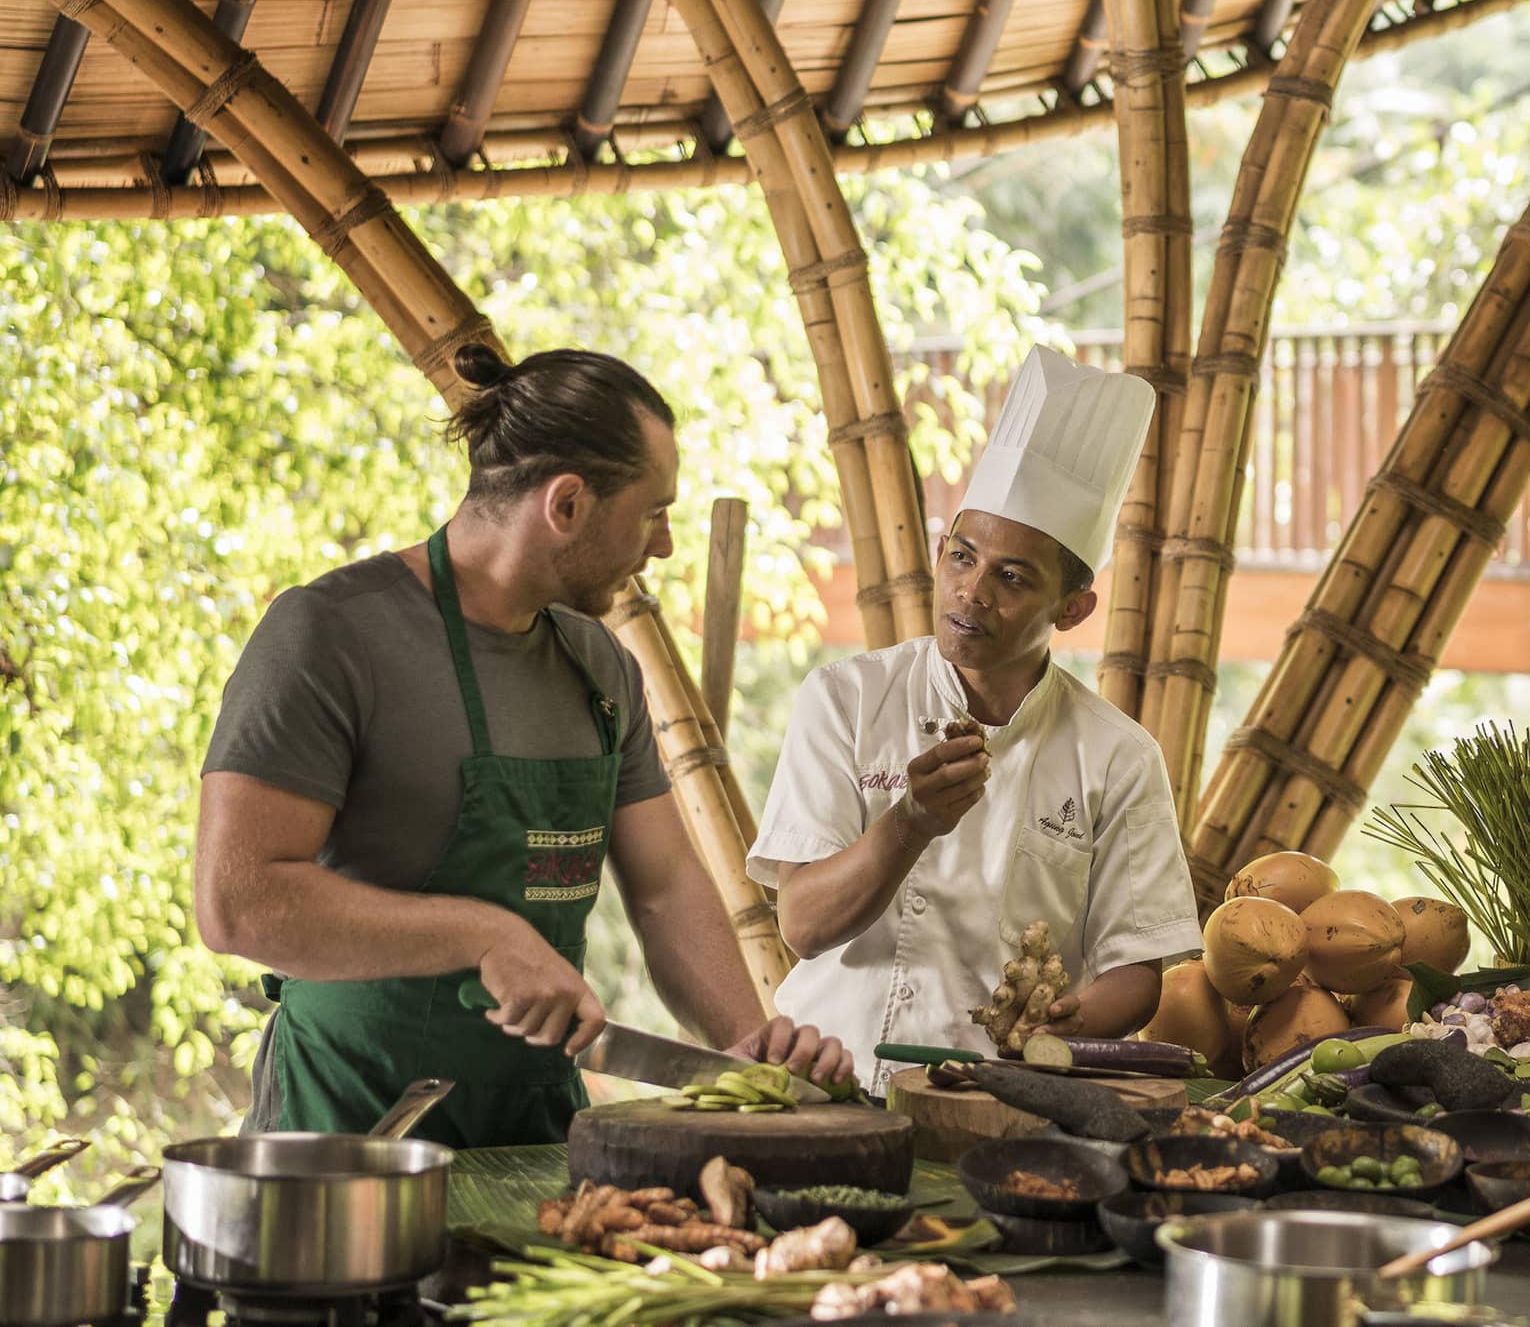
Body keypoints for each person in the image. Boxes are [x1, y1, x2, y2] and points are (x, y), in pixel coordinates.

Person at [196, 342, 850, 1145]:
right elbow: (238, 902)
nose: (666, 545)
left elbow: (666, 888)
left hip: (534, 1138)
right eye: (652, 513)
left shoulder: (600, 663)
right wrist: (484, 935)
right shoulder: (329, 635)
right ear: (567, 504)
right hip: (348, 1136)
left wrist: (747, 1046)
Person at [747, 345, 1203, 1096]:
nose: (971, 592)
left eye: (1012, 577)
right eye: (962, 557)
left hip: (995, 1095)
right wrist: (912, 820)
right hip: (824, 1077)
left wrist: (1060, 1024)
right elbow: (802, 923)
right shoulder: (844, 699)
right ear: (939, 550)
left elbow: (1134, 970)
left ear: (1073, 608)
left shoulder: (1118, 756)